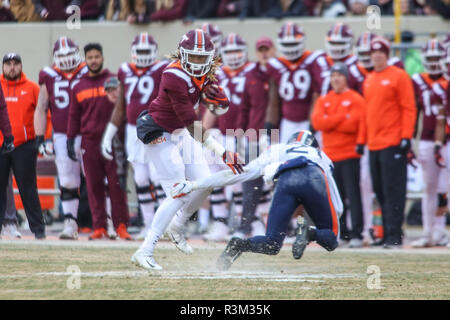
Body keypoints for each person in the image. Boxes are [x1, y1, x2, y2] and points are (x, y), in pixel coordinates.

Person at [129, 28, 241, 270]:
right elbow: (192, 123)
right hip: (158, 131)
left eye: (203, 58)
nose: (199, 63)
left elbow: (219, 105)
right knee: (178, 191)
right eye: (195, 57)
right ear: (182, 55)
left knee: (206, 182)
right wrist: (223, 152)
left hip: (180, 131)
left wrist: (220, 103)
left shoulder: (207, 74)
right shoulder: (173, 76)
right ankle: (145, 250)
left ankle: (177, 227)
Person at [170, 130, 343, 270]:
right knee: (331, 239)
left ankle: (239, 245)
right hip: (314, 178)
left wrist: (195, 184)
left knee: (272, 243)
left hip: (286, 182)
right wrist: (324, 227)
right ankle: (309, 232)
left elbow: (237, 175)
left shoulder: (277, 149)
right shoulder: (321, 156)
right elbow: (337, 204)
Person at [101, 33, 169, 240]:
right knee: (140, 178)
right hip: (132, 130)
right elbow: (121, 106)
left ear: (155, 52)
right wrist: (108, 135)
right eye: (139, 51)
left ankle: (164, 225)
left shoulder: (162, 69)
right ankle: (149, 225)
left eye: (146, 51)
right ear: (132, 52)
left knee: (159, 177)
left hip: (157, 127)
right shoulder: (124, 70)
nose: (142, 56)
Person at [356, 36, 417, 248]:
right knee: (380, 191)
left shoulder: (399, 76)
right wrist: (361, 140)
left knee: (394, 190)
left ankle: (395, 234)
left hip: (392, 141)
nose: (376, 57)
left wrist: (406, 136)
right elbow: (366, 113)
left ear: (387, 55)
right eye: (373, 54)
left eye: (380, 53)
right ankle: (386, 232)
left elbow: (409, 107)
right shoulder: (369, 79)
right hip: (373, 144)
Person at [67, 43, 131, 240]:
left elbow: (123, 110)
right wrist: (70, 139)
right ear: (85, 60)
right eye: (90, 57)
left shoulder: (114, 81)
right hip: (89, 142)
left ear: (102, 58)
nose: (93, 60)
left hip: (113, 142)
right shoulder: (78, 86)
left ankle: (121, 226)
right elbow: (73, 116)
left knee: (116, 185)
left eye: (97, 56)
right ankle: (99, 227)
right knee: (93, 186)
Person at [202, 33, 254, 242]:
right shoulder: (219, 75)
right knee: (213, 176)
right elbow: (212, 107)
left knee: (241, 180)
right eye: (229, 51)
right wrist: (202, 132)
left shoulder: (253, 72)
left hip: (245, 134)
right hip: (222, 135)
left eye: (237, 51)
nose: (233, 56)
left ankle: (245, 224)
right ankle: (221, 223)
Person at [34, 36, 88, 240]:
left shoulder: (87, 70)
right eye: (61, 55)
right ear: (55, 57)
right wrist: (39, 136)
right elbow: (41, 107)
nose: (65, 59)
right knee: (67, 179)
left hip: (88, 132)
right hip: (61, 134)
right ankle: (70, 222)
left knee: (96, 178)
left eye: (69, 54)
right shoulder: (48, 75)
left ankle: (106, 221)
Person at [312, 62, 365, 247]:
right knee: (336, 196)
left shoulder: (356, 98)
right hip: (330, 155)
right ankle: (343, 233)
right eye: (333, 75)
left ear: (346, 78)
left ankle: (357, 233)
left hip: (350, 153)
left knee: (353, 195)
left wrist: (331, 121)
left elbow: (354, 124)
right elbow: (318, 122)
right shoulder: (324, 100)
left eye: (339, 75)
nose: (335, 79)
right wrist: (342, 117)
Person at [233, 36, 277, 239]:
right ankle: (247, 224)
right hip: (253, 134)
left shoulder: (279, 73)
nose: (264, 53)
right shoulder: (250, 74)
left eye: (267, 49)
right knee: (250, 180)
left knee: (278, 180)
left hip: (277, 135)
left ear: (274, 50)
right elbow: (244, 107)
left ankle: (286, 225)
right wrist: (239, 134)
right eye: (261, 50)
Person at [0, 53, 46, 239]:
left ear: (21, 66)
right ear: (3, 67)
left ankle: (39, 230)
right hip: (1, 145)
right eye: (8, 64)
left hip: (25, 145)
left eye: (16, 64)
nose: (12, 67)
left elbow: (44, 113)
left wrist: (41, 139)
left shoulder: (32, 88)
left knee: (28, 188)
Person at [265, 22, 330, 144]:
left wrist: (313, 124)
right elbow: (274, 101)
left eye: (293, 43)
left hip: (309, 119)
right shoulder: (274, 64)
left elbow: (318, 93)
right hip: (288, 122)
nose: (290, 47)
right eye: (287, 44)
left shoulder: (314, 59)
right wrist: (269, 128)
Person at [410, 38, 448, 248]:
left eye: (437, 58)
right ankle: (428, 231)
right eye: (430, 58)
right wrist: (409, 139)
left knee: (444, 188)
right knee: (430, 187)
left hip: (446, 140)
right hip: (426, 138)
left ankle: (441, 231)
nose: (434, 62)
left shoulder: (447, 81)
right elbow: (414, 112)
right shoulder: (417, 80)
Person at [324, 23, 365, 94]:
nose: (336, 47)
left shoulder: (358, 63)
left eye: (340, 43)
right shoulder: (322, 60)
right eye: (333, 43)